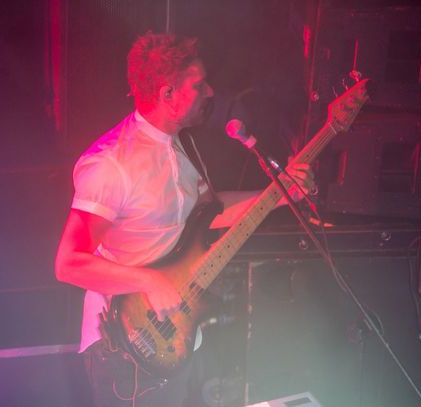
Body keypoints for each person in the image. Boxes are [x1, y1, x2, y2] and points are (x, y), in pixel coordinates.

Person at [55, 31, 315, 407]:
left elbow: (210, 213)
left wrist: (282, 193)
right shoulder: (111, 165)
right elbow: (68, 263)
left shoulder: (183, 142)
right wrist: (149, 280)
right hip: (125, 346)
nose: (210, 92)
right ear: (167, 94)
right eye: (199, 85)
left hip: (176, 333)